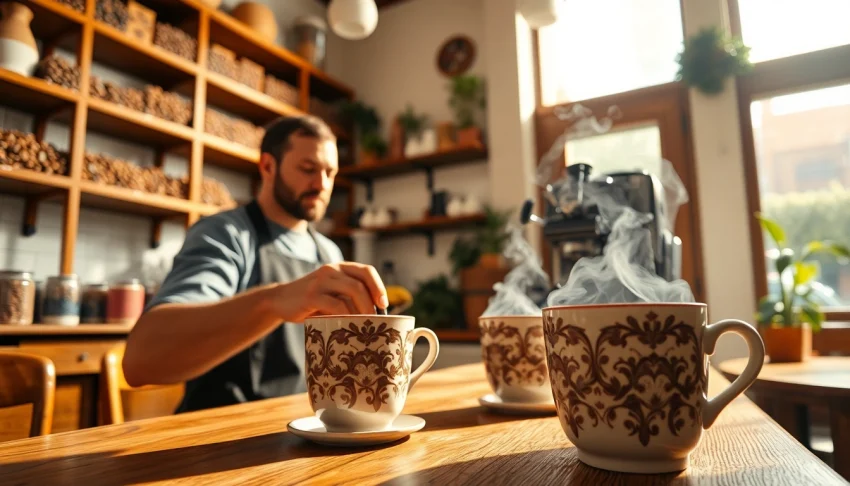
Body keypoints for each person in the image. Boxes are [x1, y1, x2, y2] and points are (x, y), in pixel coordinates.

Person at [123, 116, 388, 413]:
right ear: (267, 167)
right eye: (308, 169)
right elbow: (141, 360)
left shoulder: (329, 254)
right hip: (221, 438)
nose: (322, 184)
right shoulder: (226, 236)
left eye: (330, 172)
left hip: (305, 431)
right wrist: (273, 302)